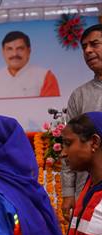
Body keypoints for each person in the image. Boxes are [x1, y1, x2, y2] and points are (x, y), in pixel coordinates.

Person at [61, 24, 102, 222]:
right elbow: (69, 144)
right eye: (84, 47)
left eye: (94, 44)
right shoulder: (79, 95)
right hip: (87, 187)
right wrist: (68, 191)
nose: (87, 51)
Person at [0, 31, 60, 99]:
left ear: (29, 51)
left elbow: (51, 108)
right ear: (3, 52)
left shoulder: (45, 76)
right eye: (9, 49)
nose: (14, 54)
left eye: (20, 49)